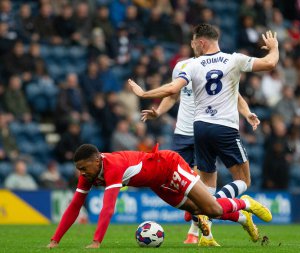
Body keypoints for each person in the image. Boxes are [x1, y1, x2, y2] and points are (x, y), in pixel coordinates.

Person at [129, 23, 278, 243]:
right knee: (244, 180)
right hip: (223, 127)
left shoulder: (192, 65)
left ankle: (203, 230)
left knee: (205, 183)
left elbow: (171, 89)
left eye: (193, 41)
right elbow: (270, 63)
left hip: (199, 128)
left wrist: (144, 93)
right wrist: (274, 47)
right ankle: (234, 203)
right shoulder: (232, 59)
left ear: (201, 41)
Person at [47, 144, 272, 249]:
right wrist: (54, 241)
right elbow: (75, 205)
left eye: (84, 168)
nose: (81, 173)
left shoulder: (112, 166)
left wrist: (96, 242)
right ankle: (243, 218)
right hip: (157, 183)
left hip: (169, 166)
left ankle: (246, 203)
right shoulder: (88, 173)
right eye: (79, 169)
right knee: (196, 211)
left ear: (97, 161)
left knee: (212, 209)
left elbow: (108, 207)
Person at [141, 55, 260, 245]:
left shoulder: (219, 65)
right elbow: (172, 95)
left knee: (201, 189)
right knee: (180, 189)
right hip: (181, 134)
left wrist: (246, 114)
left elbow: (235, 96)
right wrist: (158, 112)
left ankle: (198, 234)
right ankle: (241, 217)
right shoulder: (182, 66)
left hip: (201, 130)